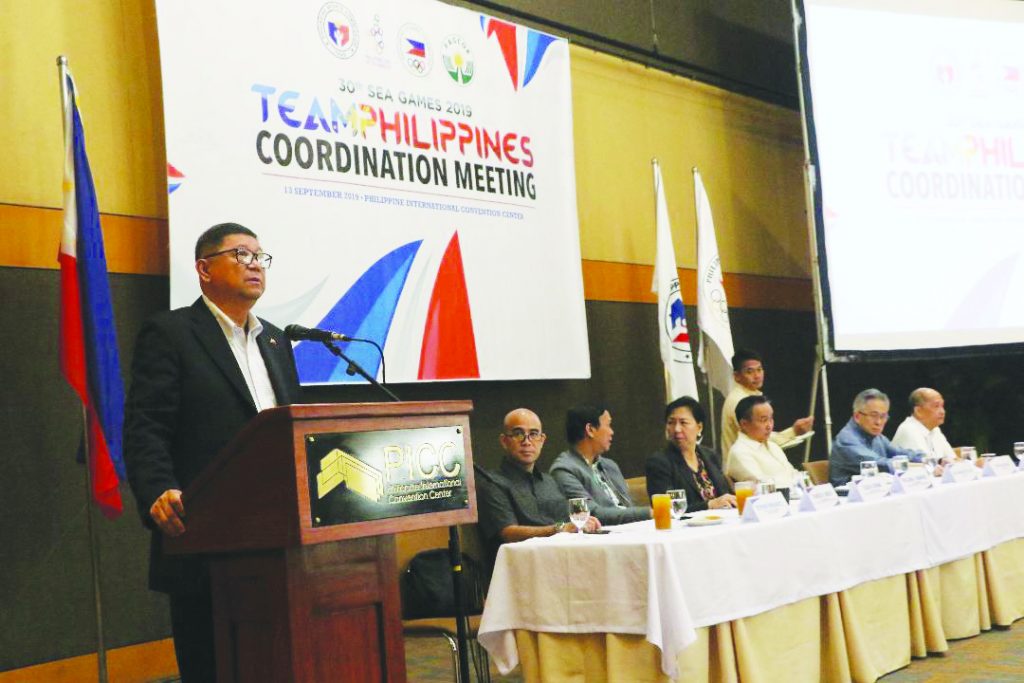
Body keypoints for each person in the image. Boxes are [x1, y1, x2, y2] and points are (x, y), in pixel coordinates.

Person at [124, 223, 301, 682]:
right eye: (241, 254)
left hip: (279, 538)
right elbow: (146, 425)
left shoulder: (276, 341)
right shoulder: (172, 333)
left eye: (261, 256)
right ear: (204, 269)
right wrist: (158, 489)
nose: (255, 264)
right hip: (206, 536)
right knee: (213, 667)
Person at [477, 408, 601, 562]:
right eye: (518, 433)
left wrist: (585, 523)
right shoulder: (492, 483)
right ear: (504, 441)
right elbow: (508, 533)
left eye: (534, 434)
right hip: (523, 566)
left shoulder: (550, 481)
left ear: (542, 440)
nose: (527, 441)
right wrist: (559, 529)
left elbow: (571, 522)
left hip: (565, 559)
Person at [549, 405, 651, 525]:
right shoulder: (564, 470)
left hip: (632, 528)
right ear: (590, 430)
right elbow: (591, 513)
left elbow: (628, 505)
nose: (612, 432)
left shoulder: (610, 465)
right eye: (608, 425)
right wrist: (648, 513)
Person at [720, 349, 814, 470]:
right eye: (750, 372)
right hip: (741, 470)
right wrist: (793, 431)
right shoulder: (739, 401)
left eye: (759, 370)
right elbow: (761, 437)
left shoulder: (751, 395)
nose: (757, 376)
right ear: (737, 376)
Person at [646, 396, 736, 511]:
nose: (677, 429)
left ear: (699, 427)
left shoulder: (710, 456)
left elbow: (724, 494)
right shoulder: (659, 463)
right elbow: (667, 508)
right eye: (671, 423)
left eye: (683, 422)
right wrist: (709, 505)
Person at [829, 388, 922, 486]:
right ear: (857, 416)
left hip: (875, 491)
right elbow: (881, 465)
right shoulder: (846, 440)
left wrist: (930, 460)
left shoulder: (877, 437)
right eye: (874, 415)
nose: (879, 422)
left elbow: (901, 453)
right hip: (850, 498)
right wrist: (923, 467)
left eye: (883, 416)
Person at [726, 395, 802, 488]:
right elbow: (762, 486)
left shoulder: (773, 446)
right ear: (744, 424)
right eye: (764, 420)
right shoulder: (740, 452)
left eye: (771, 419)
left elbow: (794, 474)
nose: (769, 425)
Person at [891, 388, 957, 462]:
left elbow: (952, 459)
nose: (942, 411)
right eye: (936, 406)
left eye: (942, 406)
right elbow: (927, 464)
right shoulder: (909, 429)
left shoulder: (935, 429)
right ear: (918, 411)